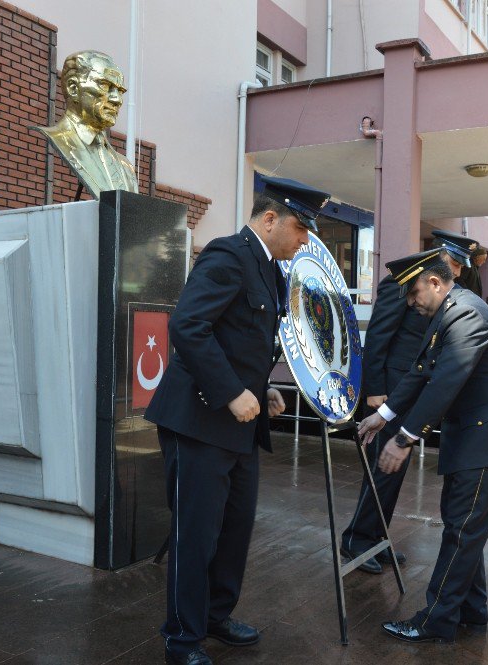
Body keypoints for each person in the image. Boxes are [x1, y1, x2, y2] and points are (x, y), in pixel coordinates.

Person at [144, 175, 329, 665]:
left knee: (234, 531)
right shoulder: (228, 255)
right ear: (270, 219)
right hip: (199, 420)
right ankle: (182, 638)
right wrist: (230, 393)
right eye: (301, 229)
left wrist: (260, 389)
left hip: (240, 427)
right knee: (196, 534)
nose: (306, 240)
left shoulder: (269, 269)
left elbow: (239, 341)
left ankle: (214, 616)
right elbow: (188, 325)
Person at [356, 249, 488, 645]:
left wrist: (404, 438)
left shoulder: (466, 313)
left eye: (414, 292)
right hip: (478, 438)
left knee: (461, 530)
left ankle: (435, 620)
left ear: (436, 283)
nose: (410, 302)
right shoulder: (447, 312)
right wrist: (383, 415)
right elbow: (421, 373)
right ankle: (472, 611)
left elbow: (446, 382)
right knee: (465, 528)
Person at [341, 231, 478, 575]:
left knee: (393, 471)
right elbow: (378, 336)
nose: (458, 274)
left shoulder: (442, 290)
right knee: (381, 471)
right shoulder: (401, 283)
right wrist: (373, 390)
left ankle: (376, 538)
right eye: (455, 264)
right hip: (387, 391)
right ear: (440, 259)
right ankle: (356, 539)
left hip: (410, 394)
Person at [36, 50, 138, 199]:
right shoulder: (56, 139)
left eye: (120, 91)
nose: (117, 99)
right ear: (73, 88)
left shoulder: (126, 167)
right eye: (105, 85)